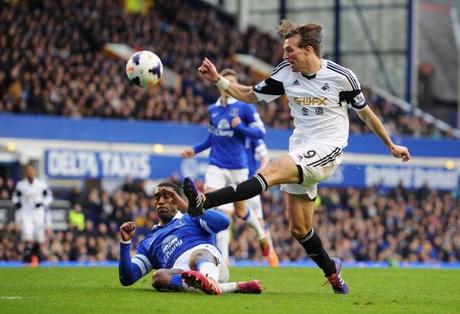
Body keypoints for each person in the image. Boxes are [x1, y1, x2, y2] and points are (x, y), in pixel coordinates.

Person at [183, 20, 411, 294]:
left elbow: (366, 113)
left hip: (328, 148)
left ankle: (206, 200)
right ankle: (333, 274)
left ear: (309, 49)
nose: (284, 55)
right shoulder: (284, 74)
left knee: (273, 170)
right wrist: (218, 79)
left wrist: (391, 145)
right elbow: (249, 94)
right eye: (284, 50)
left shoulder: (342, 77)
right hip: (300, 147)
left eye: (290, 50)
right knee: (299, 228)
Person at [181, 69, 270, 264]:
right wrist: (194, 151)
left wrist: (240, 127)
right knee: (222, 214)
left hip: (238, 168)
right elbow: (212, 137)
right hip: (216, 166)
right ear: (218, 84)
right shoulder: (213, 110)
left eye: (232, 83)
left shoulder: (245, 107)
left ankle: (260, 233)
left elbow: (260, 133)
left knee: (240, 211)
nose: (228, 87)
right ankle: (223, 263)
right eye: (225, 82)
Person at [118, 182, 263, 295]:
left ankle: (212, 281)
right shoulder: (148, 242)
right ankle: (231, 287)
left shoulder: (192, 216)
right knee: (159, 277)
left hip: (208, 260)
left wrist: (189, 207)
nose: (161, 201)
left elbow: (224, 222)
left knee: (197, 256)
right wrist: (125, 242)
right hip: (182, 273)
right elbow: (127, 278)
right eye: (157, 198)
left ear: (176, 200)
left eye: (166, 196)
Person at [245, 137, 280, 267]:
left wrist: (261, 170)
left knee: (258, 220)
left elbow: (264, 155)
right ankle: (271, 256)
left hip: (247, 183)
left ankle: (271, 256)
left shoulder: (251, 134)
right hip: (234, 182)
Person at [12, 163, 53, 263]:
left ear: (35, 172)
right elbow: (15, 198)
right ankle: (28, 257)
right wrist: (18, 205)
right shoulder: (21, 185)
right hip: (26, 213)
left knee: (39, 237)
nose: (30, 173)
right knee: (28, 233)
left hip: (38, 212)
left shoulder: (41, 185)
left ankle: (37, 256)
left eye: (32, 170)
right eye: (28, 171)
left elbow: (49, 197)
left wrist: (41, 203)